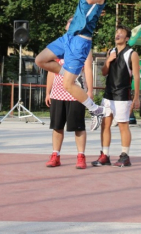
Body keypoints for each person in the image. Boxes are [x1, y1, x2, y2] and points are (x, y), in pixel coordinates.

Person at [35, 0, 111, 131]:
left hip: (80, 41)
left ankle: (96, 110)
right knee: (40, 60)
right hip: (68, 37)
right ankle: (72, 77)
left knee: (68, 86)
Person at [45, 17, 93, 169]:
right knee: (57, 126)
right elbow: (50, 70)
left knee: (78, 127)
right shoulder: (58, 46)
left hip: (76, 92)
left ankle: (81, 156)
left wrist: (90, 91)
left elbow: (88, 69)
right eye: (69, 23)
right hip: (58, 92)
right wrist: (48, 92)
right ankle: (55, 155)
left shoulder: (84, 45)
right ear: (66, 27)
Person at [92, 25, 140, 167]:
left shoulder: (132, 54)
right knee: (105, 125)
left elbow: (136, 77)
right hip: (108, 94)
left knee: (123, 125)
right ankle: (105, 155)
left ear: (126, 38)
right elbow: (104, 72)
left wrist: (136, 97)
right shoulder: (111, 51)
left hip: (123, 95)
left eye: (121, 33)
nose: (117, 34)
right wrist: (108, 60)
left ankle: (125, 156)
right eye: (116, 32)